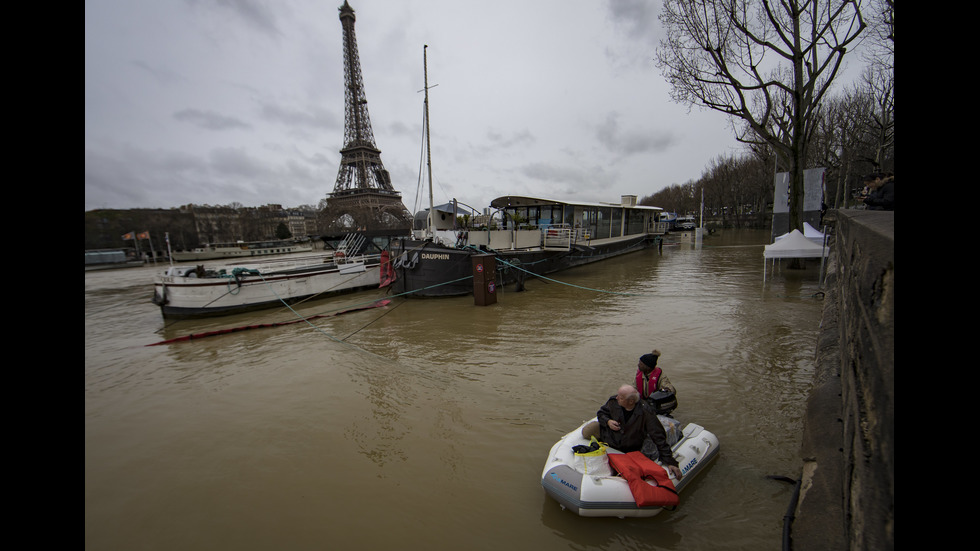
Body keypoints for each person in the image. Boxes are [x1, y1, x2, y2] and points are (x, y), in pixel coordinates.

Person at [597, 384, 684, 480]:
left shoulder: (646, 412)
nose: (617, 398)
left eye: (621, 397)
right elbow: (601, 413)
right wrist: (608, 421)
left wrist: (670, 461)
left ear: (631, 401)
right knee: (588, 430)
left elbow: (658, 436)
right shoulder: (613, 402)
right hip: (611, 441)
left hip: (629, 447)